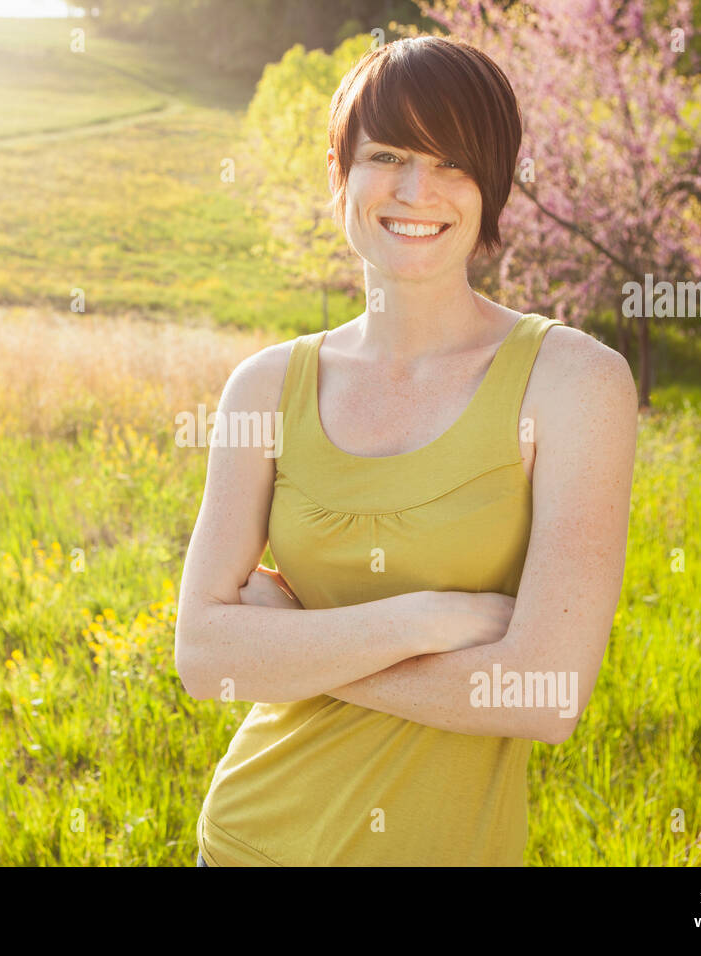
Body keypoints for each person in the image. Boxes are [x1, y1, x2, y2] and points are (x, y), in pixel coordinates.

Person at [175, 35, 637, 866]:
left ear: (492, 185)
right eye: (386, 155)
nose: (416, 191)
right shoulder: (265, 387)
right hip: (246, 841)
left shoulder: (574, 383)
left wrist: (300, 644)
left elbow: (545, 697)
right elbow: (205, 658)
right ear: (338, 172)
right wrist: (421, 621)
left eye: (452, 162)